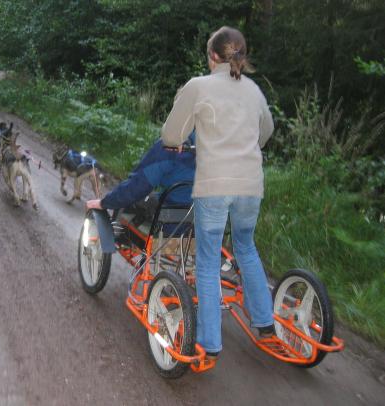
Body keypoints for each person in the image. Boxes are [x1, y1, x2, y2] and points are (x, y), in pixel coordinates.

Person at [161, 26, 275, 360]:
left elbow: (171, 135)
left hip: (214, 186)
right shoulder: (253, 90)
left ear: (213, 56)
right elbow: (266, 131)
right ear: (241, 54)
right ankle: (265, 322)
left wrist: (185, 137)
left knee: (209, 261)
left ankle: (209, 343)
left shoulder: (199, 86)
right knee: (245, 247)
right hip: (250, 185)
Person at [85, 134, 195, 213]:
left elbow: (138, 186)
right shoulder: (209, 143)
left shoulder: (172, 144)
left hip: (172, 218)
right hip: (203, 222)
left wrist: (104, 203)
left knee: (131, 203)